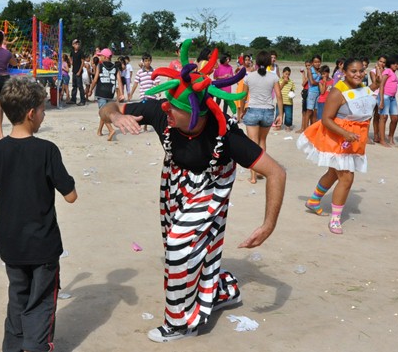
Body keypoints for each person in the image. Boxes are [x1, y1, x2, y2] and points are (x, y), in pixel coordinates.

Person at [98, 39, 285, 343]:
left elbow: (276, 172)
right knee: (197, 248)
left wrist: (268, 224)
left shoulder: (227, 136)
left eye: (174, 108)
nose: (166, 110)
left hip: (213, 183)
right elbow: (107, 108)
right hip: (174, 179)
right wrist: (116, 115)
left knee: (178, 245)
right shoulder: (161, 112)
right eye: (167, 105)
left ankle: (182, 322)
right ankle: (223, 290)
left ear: (197, 115)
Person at [0, 77, 77, 352]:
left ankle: (13, 346)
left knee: (18, 295)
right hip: (43, 245)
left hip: (11, 243)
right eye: (42, 110)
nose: (43, 114)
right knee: (41, 300)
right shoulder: (47, 150)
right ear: (31, 114)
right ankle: (37, 346)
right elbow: (71, 195)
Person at [297, 57, 376, 234]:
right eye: (353, 71)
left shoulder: (362, 88)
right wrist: (346, 133)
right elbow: (325, 119)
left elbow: (363, 96)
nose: (358, 74)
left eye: (361, 71)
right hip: (340, 139)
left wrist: (378, 84)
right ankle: (335, 219)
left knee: (333, 172)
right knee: (347, 178)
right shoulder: (337, 92)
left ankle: (313, 200)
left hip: (354, 138)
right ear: (344, 72)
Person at [239, 50, 283, 184]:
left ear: (256, 62)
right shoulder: (273, 77)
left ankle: (253, 176)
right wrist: (280, 114)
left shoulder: (249, 77)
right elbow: (279, 96)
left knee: (252, 143)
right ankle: (260, 170)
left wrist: (241, 110)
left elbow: (243, 95)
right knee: (262, 141)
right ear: (270, 62)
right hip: (268, 111)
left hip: (253, 110)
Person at [87, 48, 122, 141]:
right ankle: (99, 131)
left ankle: (111, 130)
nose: (99, 57)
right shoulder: (116, 67)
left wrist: (90, 90)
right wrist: (121, 93)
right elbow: (119, 80)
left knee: (103, 112)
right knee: (105, 111)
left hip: (101, 92)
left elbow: (95, 79)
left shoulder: (100, 65)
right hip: (110, 93)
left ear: (104, 57)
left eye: (100, 56)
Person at [377, 54, 398, 147]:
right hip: (385, 96)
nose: (396, 65)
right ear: (390, 63)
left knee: (395, 118)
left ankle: (390, 136)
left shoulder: (394, 73)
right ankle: (382, 140)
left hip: (392, 98)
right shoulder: (387, 71)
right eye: (394, 63)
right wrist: (381, 100)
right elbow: (381, 85)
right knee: (383, 117)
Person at [369, 55, 387, 143]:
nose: (382, 63)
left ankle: (378, 134)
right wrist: (378, 70)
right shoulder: (372, 71)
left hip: (383, 94)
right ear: (377, 61)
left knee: (379, 116)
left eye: (384, 62)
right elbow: (376, 82)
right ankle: (374, 135)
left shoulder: (387, 72)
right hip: (374, 95)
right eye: (380, 61)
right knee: (371, 115)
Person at [68, 39, 86, 105]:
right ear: (73, 45)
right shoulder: (72, 51)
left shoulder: (81, 52)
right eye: (76, 44)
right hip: (74, 71)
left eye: (78, 44)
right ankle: (73, 99)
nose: (77, 45)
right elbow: (70, 57)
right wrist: (71, 62)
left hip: (79, 71)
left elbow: (82, 62)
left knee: (80, 86)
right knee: (74, 86)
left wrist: (79, 71)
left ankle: (82, 100)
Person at [296, 60, 311, 133]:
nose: (307, 67)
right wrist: (304, 73)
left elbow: (303, 83)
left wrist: (303, 74)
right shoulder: (309, 73)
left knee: (306, 112)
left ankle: (304, 128)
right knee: (304, 112)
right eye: (306, 66)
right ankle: (303, 128)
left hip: (308, 92)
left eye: (309, 65)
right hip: (306, 91)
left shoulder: (310, 73)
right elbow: (304, 83)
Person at [279, 66, 295, 131]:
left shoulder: (291, 82)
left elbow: (293, 90)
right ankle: (278, 125)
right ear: (283, 73)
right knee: (279, 113)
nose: (287, 75)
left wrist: (292, 93)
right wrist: (283, 82)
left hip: (288, 101)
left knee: (288, 115)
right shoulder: (279, 81)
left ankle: (287, 126)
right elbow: (278, 89)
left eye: (288, 74)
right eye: (286, 74)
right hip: (280, 101)